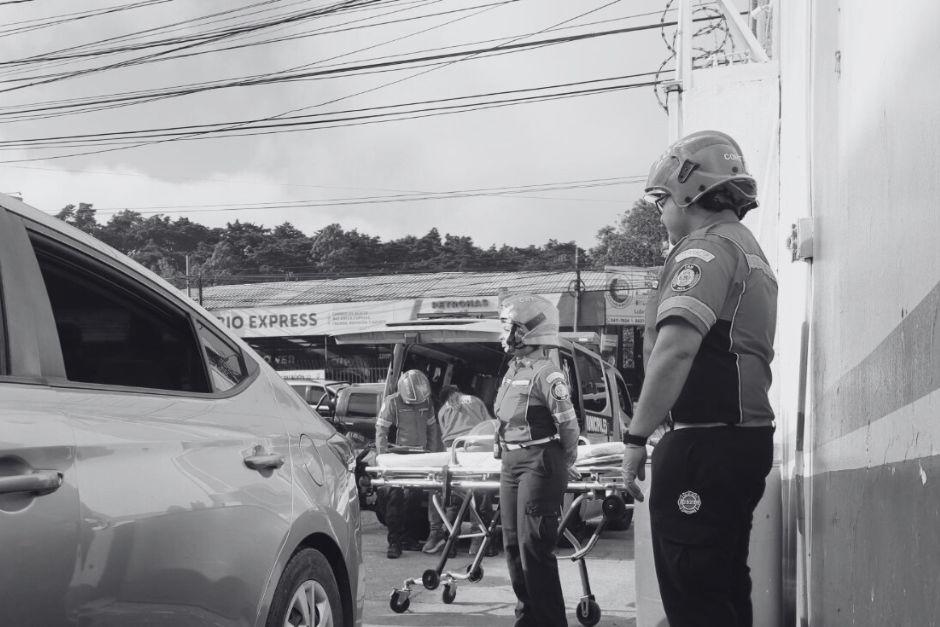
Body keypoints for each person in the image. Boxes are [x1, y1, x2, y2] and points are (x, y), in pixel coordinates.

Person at [621, 130, 777, 627]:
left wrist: (635, 438)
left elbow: (675, 349)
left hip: (704, 448)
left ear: (689, 193)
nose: (660, 213)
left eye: (661, 201)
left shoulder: (704, 251)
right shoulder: (747, 249)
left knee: (695, 597)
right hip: (739, 442)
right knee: (724, 587)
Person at [495, 294, 581, 627]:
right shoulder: (512, 370)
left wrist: (567, 457)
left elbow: (568, 425)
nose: (506, 335)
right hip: (511, 463)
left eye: (513, 328)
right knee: (512, 545)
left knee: (533, 547)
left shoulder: (548, 374)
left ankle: (549, 621)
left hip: (539, 462)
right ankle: (527, 618)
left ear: (531, 332)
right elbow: (504, 416)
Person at [375, 369, 442, 559]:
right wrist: (382, 459)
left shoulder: (426, 402)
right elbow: (381, 431)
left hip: (420, 457)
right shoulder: (392, 402)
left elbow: (432, 429)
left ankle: (409, 538)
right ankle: (394, 542)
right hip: (397, 457)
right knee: (395, 499)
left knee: (415, 498)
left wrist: (432, 455)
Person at [423, 384, 494, 555]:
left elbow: (444, 436)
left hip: (455, 452)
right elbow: (489, 425)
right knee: (479, 493)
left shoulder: (443, 410)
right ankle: (478, 542)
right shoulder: (475, 401)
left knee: (454, 496)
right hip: (477, 450)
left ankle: (450, 543)